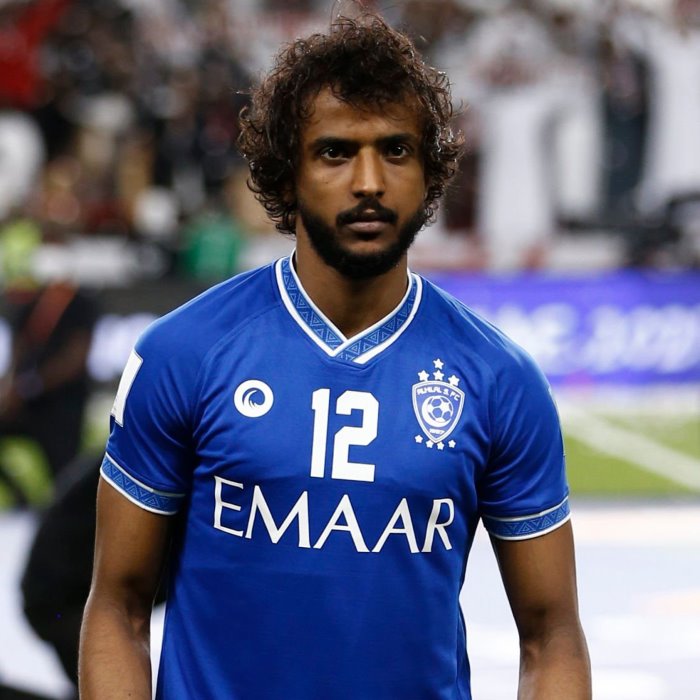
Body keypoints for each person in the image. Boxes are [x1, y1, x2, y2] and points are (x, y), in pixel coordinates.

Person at [79, 11, 591, 699]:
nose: (369, 181)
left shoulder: (502, 380)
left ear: (431, 173)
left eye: (396, 150)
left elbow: (551, 635)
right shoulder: (183, 354)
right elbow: (117, 607)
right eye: (335, 152)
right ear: (286, 176)